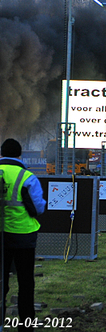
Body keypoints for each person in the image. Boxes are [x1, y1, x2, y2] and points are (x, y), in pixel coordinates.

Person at [1, 138, 46, 332]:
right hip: (23, 236)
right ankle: (26, 326)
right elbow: (38, 207)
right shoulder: (27, 177)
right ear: (20, 154)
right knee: (25, 283)